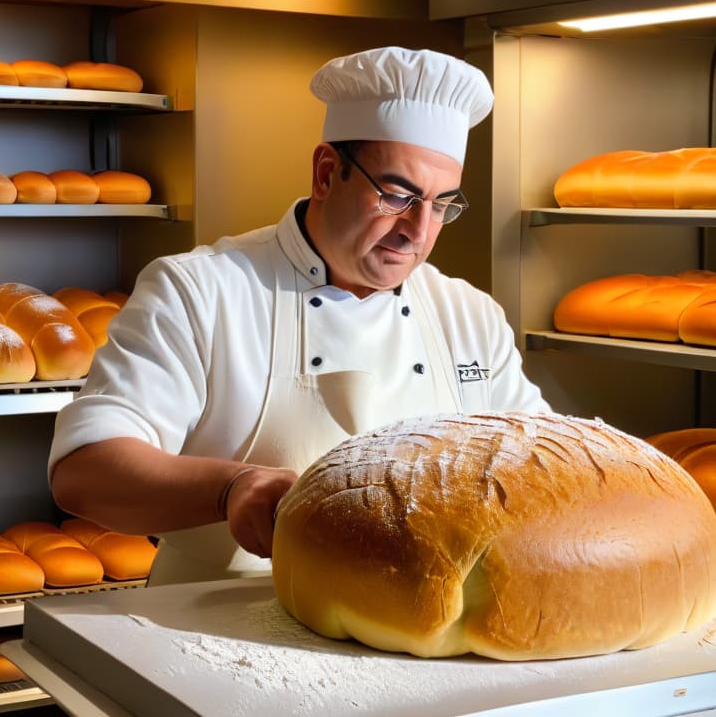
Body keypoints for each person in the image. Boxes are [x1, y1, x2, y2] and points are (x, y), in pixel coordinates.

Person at [48, 46, 553, 585]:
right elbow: (85, 470)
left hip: (416, 623)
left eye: (442, 205)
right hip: (215, 627)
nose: (419, 232)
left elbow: (541, 462)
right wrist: (229, 489)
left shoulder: (468, 315)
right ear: (326, 172)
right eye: (396, 196)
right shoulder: (202, 290)